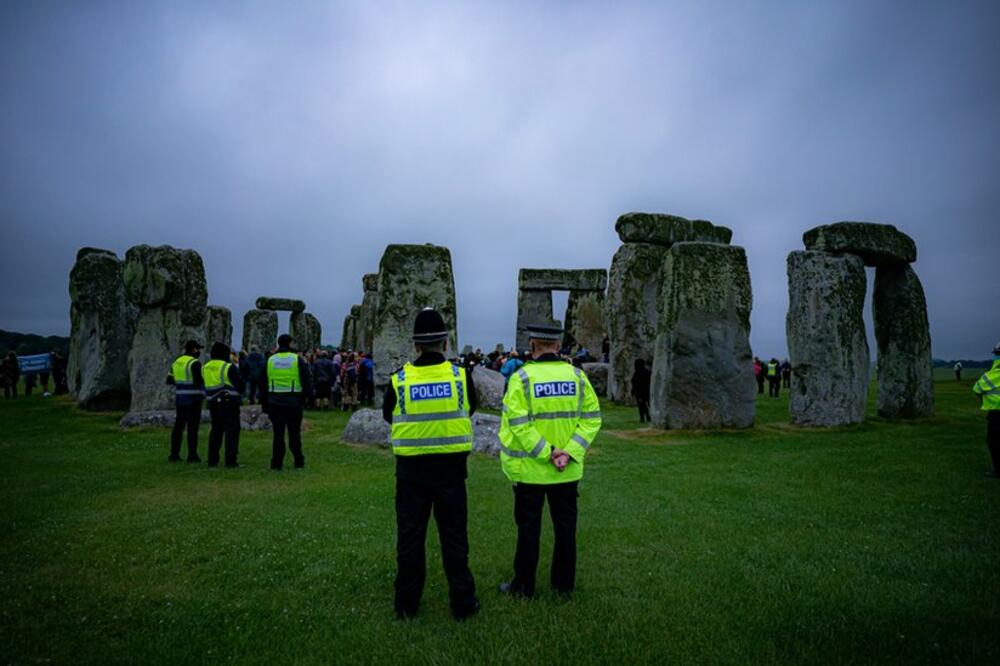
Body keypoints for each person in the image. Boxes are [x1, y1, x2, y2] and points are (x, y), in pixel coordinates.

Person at [381, 308, 480, 621]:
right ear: (446, 343)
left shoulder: (399, 380)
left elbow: (388, 414)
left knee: (410, 539)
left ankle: (407, 605)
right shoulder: (460, 376)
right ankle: (463, 603)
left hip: (411, 473)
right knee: (454, 539)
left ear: (416, 345)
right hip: (451, 472)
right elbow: (471, 408)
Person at [497, 323, 602, 599]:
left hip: (531, 470)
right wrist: (568, 452)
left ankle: (523, 587)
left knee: (529, 531)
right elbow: (592, 420)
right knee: (566, 530)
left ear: (532, 346)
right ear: (557, 346)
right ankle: (563, 585)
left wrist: (548, 452)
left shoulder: (521, 379)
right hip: (567, 471)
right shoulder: (578, 377)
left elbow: (519, 425)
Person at [261, 334, 311, 470]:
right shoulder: (296, 359)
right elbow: (306, 380)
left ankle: (276, 463)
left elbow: (263, 383)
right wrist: (306, 399)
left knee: (278, 434)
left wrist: (264, 404)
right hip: (294, 401)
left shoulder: (270, 360)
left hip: (274, 401)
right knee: (294, 433)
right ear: (290, 343)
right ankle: (298, 460)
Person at [203, 342, 244, 468]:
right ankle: (230, 460)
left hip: (212, 402)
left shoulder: (205, 367)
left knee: (216, 430)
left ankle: (212, 460)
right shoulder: (228, 367)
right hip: (228, 402)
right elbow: (240, 384)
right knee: (232, 431)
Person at [165, 340, 205, 463]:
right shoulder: (194, 363)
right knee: (193, 428)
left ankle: (174, 454)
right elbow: (200, 381)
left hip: (180, 398)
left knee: (178, 427)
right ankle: (192, 455)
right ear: (193, 350)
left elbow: (169, 380)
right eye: (198, 349)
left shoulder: (177, 362)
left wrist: (181, 383)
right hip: (194, 399)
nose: (199, 352)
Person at [972, 342, 1000, 478]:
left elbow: (977, 390)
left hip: (996, 414)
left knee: (994, 441)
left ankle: (998, 470)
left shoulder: (990, 376)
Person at [631, 358, 651, 423]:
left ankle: (643, 417)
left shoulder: (637, 373)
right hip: (647, 391)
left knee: (641, 405)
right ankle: (647, 416)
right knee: (645, 404)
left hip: (639, 392)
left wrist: (633, 391)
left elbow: (633, 382)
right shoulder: (647, 372)